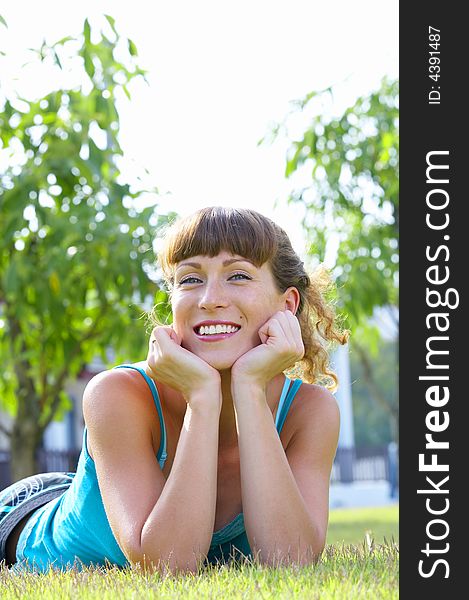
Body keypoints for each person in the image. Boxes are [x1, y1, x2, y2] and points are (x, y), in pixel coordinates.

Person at [0, 206, 347, 574]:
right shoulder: (117, 394)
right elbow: (168, 566)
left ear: (287, 304)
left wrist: (250, 388)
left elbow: (289, 560)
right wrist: (201, 397)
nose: (209, 299)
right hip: (19, 520)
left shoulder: (309, 412)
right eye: (190, 279)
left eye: (239, 276)